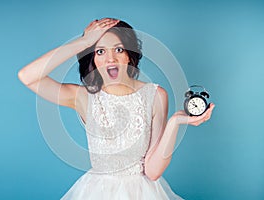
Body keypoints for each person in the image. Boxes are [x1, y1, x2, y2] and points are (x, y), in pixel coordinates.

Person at [18, 18, 215, 199]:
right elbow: (27, 76)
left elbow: (153, 172)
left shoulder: (155, 95)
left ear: (130, 55)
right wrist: (83, 43)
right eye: (100, 51)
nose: (110, 58)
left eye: (118, 49)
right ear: (93, 58)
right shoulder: (83, 97)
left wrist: (175, 123)